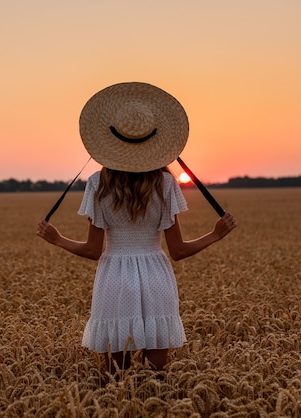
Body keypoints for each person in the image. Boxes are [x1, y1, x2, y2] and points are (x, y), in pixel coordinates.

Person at [36, 82, 237, 373]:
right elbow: (178, 251)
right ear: (155, 142)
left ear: (109, 139)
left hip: (113, 278)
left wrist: (58, 240)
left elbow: (93, 250)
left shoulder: (97, 184)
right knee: (156, 375)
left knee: (115, 376)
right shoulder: (166, 184)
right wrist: (215, 235)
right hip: (156, 275)